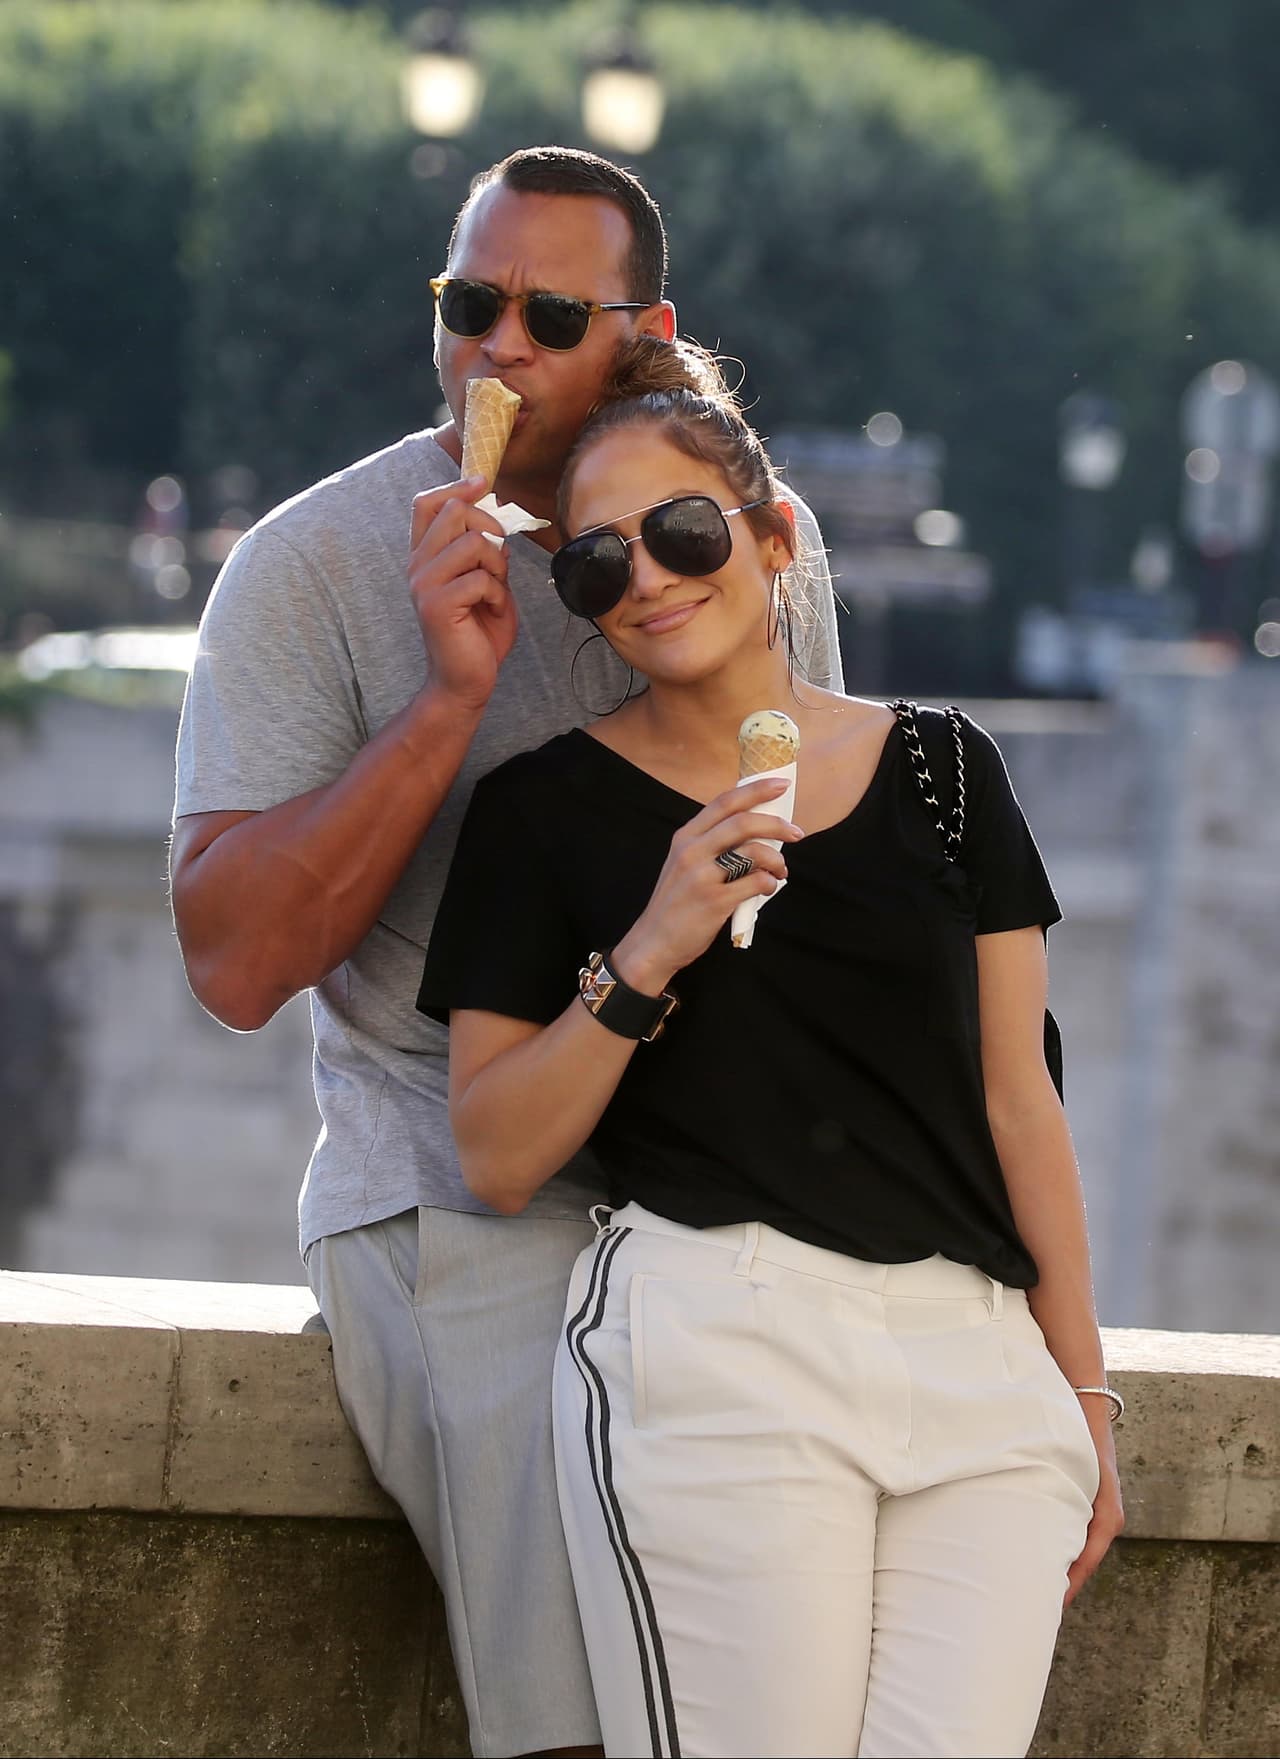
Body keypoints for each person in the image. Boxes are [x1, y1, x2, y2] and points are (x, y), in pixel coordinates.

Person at [169, 146, 844, 1759]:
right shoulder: (312, 568)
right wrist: (443, 704)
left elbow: (807, 869)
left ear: (644, 327)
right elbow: (236, 968)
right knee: (585, 1671)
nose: (503, 348)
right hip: (455, 1188)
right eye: (472, 304)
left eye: (553, 312)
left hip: (713, 1167)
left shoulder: (753, 543)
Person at [417, 335, 1125, 1759]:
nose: (649, 579)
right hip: (716, 1349)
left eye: (681, 531)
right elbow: (494, 1152)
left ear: (774, 534)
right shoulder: (542, 814)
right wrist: (653, 943)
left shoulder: (943, 766)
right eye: (597, 563)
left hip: (976, 1372)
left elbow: (1018, 1104)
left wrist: (1084, 1392)